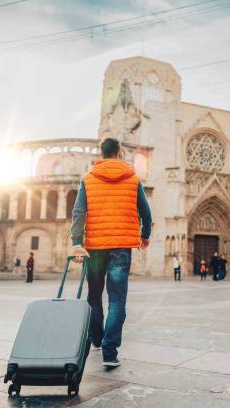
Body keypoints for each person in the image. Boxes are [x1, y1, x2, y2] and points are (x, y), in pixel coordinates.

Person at [71, 137, 152, 368]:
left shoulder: (88, 178)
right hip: (121, 247)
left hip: (95, 247)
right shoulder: (133, 179)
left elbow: (78, 212)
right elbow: (146, 214)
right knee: (117, 300)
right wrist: (144, 235)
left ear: (101, 153)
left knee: (94, 295)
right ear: (119, 153)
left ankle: (97, 337)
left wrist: (77, 242)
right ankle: (109, 351)